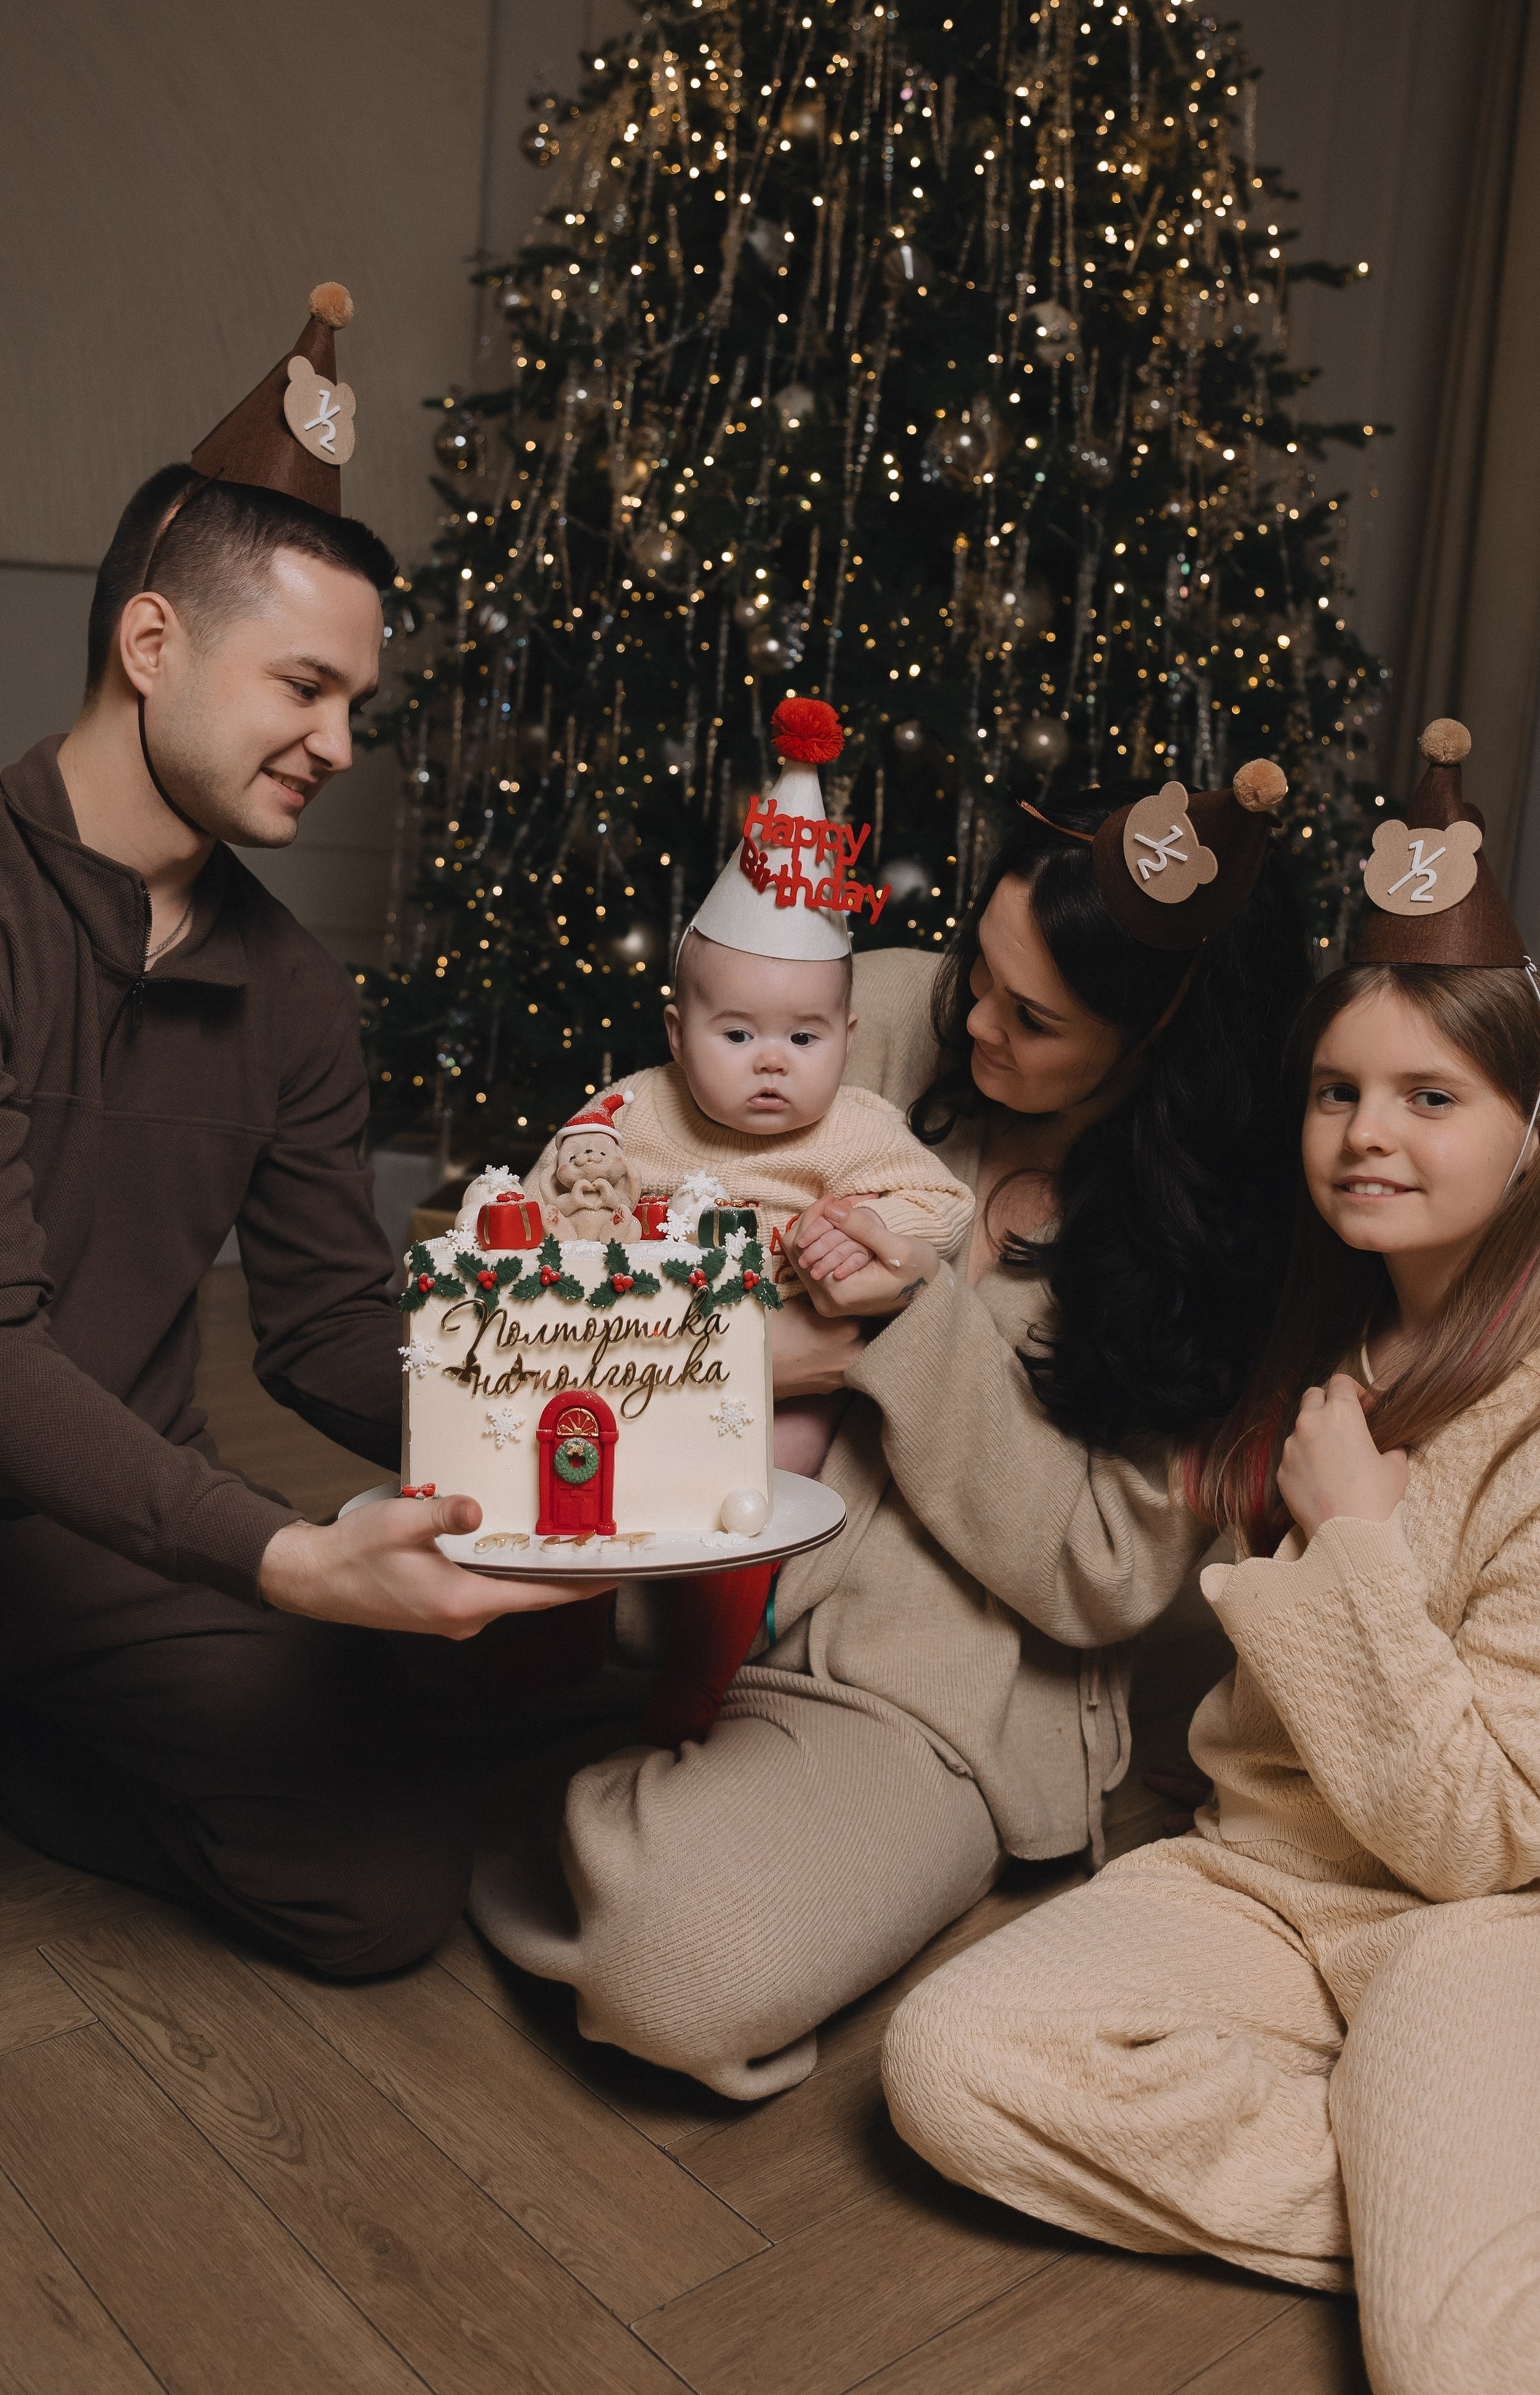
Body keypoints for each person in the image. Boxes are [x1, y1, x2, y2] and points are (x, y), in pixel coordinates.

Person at [882, 720, 1540, 2394]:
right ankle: (1474, 2187)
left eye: (1432, 1098)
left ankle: (1537, 2251)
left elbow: (1482, 1838)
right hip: (1262, 1882)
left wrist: (1354, 1541)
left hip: (1491, 1912)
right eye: (1338, 1092)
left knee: (1470, 2359)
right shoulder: (1315, 1335)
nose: (1369, 1133)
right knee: (953, 2063)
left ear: (1534, 1132)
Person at [0, 284, 601, 2048]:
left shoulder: (289, 988)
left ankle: (30, 1752)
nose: (340, 743)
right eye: (304, 684)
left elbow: (325, 1334)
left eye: (357, 699)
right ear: (150, 643)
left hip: (124, 1554)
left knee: (374, 1899)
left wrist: (585, 1419)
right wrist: (290, 1563)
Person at [469, 753, 1311, 2099]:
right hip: (655, 1571)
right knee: (367, 1659)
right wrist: (765, 1344)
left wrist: (910, 1324)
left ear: (1157, 1043)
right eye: (980, 966)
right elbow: (623, 1181)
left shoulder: (1221, 1244)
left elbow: (1103, 1575)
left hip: (911, 1702)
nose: (972, 1019)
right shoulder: (881, 1009)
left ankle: (590, 1802)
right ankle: (621, 1774)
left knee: (680, 1966)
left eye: (1031, 1019)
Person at [520, 691, 974, 1739]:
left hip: (787, 1374)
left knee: (761, 1494)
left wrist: (858, 1223)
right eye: (737, 1034)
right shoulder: (635, 1109)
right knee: (574, 1466)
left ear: (848, 1039)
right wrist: (583, 1212)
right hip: (636, 1348)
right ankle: (555, 1639)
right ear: (678, 1034)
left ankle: (704, 1666)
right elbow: (564, 1173)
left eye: (805, 1039)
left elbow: (940, 1204)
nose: (773, 1061)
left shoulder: (855, 1130)